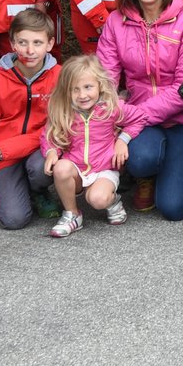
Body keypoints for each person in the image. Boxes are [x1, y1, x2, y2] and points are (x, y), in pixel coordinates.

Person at [98, 0, 183, 219]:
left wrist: (134, 115)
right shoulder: (115, 22)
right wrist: (113, 116)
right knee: (140, 159)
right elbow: (105, 79)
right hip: (142, 120)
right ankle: (147, 174)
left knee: (173, 208)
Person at [40, 55, 146, 237]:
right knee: (60, 168)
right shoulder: (64, 110)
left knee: (97, 200)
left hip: (104, 168)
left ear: (99, 85)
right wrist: (51, 151)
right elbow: (49, 133)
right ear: (66, 91)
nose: (82, 95)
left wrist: (123, 139)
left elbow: (140, 118)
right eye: (75, 90)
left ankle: (112, 201)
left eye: (88, 87)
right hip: (76, 167)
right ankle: (72, 214)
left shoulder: (111, 107)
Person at [0, 8, 61, 229]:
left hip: (39, 148)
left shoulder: (59, 76)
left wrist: (17, 145)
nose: (30, 50)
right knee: (14, 220)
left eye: (37, 43)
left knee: (43, 167)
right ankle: (17, 188)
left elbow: (64, 125)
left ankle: (38, 190)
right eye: (22, 43)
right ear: (12, 43)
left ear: (50, 44)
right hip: (5, 156)